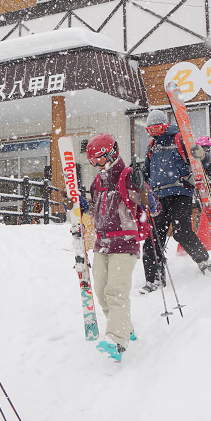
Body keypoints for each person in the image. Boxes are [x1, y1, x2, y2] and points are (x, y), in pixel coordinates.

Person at [86, 133, 146, 362]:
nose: (98, 165)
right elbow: (94, 210)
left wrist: (143, 191)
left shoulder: (128, 176)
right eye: (93, 161)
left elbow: (153, 206)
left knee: (116, 292)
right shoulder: (97, 183)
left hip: (124, 242)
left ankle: (116, 340)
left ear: (112, 153)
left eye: (101, 159)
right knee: (101, 293)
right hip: (102, 243)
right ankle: (126, 328)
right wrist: (80, 204)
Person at [140, 109, 211, 294]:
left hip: (180, 192)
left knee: (181, 232)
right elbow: (147, 172)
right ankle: (154, 279)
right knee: (154, 238)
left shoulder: (179, 138)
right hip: (159, 197)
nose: (154, 134)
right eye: (150, 130)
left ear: (165, 126)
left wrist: (202, 155)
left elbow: (202, 162)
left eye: (157, 129)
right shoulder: (152, 146)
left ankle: (203, 261)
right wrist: (139, 177)